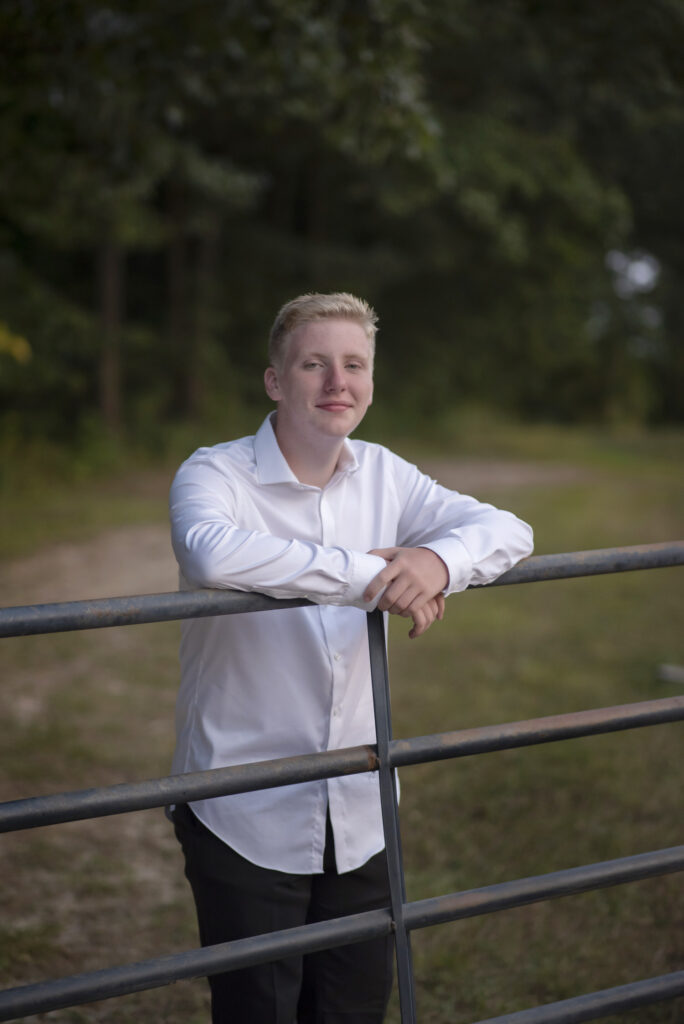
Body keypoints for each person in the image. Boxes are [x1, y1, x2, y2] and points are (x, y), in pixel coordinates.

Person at [169, 292, 533, 1023]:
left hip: (364, 806)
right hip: (245, 805)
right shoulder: (216, 474)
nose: (338, 381)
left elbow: (508, 528)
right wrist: (369, 576)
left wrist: (435, 559)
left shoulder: (386, 474)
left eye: (354, 364)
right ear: (276, 379)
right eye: (315, 363)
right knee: (258, 1012)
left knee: (353, 1011)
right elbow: (209, 552)